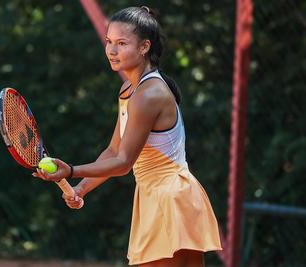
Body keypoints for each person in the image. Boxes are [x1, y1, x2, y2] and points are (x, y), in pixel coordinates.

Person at [33, 6, 222, 267]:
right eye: (109, 42)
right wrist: (81, 188)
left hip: (170, 199)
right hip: (163, 197)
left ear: (144, 47)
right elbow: (113, 150)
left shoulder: (149, 95)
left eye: (122, 43)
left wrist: (71, 171)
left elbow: (123, 162)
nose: (111, 50)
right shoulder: (129, 90)